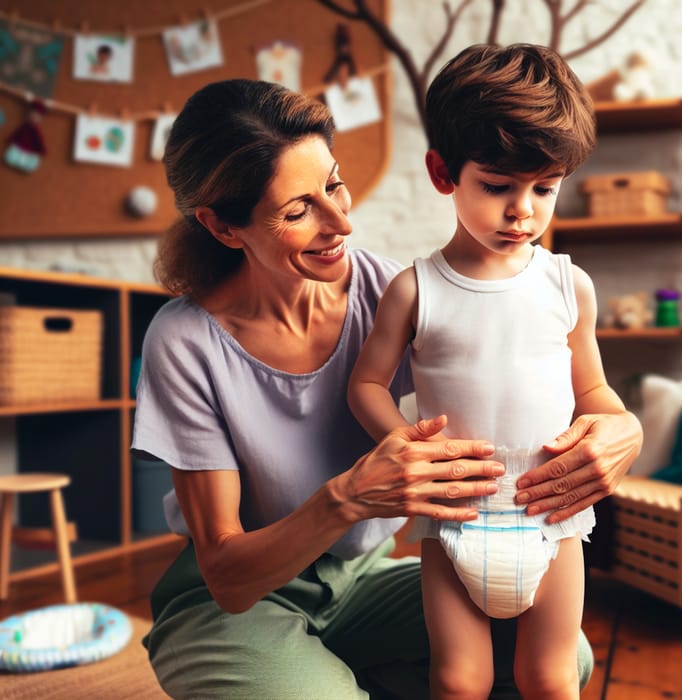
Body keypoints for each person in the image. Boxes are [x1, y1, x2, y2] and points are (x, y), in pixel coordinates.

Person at [131, 76, 642, 699]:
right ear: (223, 227)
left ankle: (347, 673)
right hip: (239, 599)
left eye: (334, 183)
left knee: (563, 658)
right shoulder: (185, 342)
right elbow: (229, 577)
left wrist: (621, 427)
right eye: (298, 211)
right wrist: (348, 498)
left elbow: (546, 373)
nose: (342, 221)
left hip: (362, 578)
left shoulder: (384, 289)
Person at [347, 43, 634, 699]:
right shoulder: (415, 289)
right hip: (455, 523)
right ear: (444, 173)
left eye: (544, 189)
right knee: (458, 678)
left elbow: (590, 389)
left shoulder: (570, 285)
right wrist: (403, 441)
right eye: (498, 187)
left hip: (552, 517)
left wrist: (613, 425)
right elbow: (365, 385)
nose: (523, 211)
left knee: (551, 676)